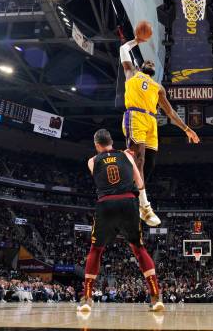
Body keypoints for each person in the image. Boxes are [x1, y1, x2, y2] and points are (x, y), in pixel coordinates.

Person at [119, 24, 200, 226]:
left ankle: (132, 194)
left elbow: (170, 112)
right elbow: (123, 49)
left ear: (154, 72)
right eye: (146, 61)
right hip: (135, 116)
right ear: (141, 66)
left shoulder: (158, 88)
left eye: (152, 63)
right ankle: (145, 208)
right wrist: (136, 41)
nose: (149, 62)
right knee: (139, 159)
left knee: (150, 164)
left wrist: (187, 129)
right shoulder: (132, 74)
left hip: (151, 122)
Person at [78, 129, 164, 313]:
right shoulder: (126, 155)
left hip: (106, 204)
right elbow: (140, 184)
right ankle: (156, 296)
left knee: (96, 250)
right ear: (111, 142)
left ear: (96, 145)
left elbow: (101, 172)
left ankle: (87, 298)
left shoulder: (92, 161)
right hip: (128, 202)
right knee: (139, 249)